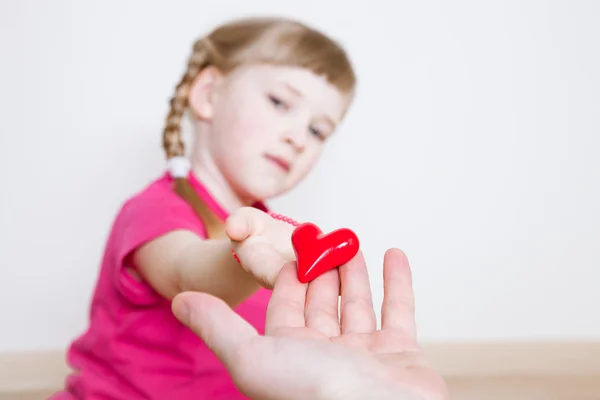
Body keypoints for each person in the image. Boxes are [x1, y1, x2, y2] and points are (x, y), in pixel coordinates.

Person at [52, 16, 358, 399]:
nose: (298, 137)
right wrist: (253, 255)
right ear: (209, 94)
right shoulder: (156, 210)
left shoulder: (277, 234)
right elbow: (189, 272)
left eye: (318, 131)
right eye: (280, 102)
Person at [172, 248, 449, 400]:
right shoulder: (155, 209)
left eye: (317, 138)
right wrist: (243, 249)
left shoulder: (267, 220)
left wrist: (369, 393)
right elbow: (184, 268)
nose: (299, 140)